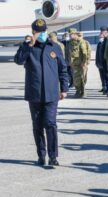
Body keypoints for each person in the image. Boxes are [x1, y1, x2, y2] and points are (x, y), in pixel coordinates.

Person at [14, 19, 69, 166]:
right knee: (37, 125)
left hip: (51, 94)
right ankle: (41, 155)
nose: (41, 34)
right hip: (35, 94)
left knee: (50, 124)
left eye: (43, 31)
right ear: (33, 32)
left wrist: (64, 88)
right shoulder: (27, 47)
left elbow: (63, 69)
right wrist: (27, 46)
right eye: (37, 32)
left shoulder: (54, 47)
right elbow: (18, 60)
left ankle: (53, 156)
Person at [68, 28, 89, 98]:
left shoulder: (80, 42)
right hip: (74, 64)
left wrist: (84, 63)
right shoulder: (71, 42)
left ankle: (83, 92)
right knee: (75, 78)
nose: (70, 36)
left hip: (81, 64)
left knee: (82, 78)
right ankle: (78, 91)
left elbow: (84, 53)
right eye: (69, 34)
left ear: (75, 34)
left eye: (71, 34)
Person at [96, 26, 108, 95]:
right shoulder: (101, 41)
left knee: (106, 76)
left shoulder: (106, 40)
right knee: (102, 76)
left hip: (105, 61)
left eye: (103, 32)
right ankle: (104, 86)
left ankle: (107, 88)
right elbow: (98, 52)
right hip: (100, 61)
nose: (101, 34)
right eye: (101, 32)